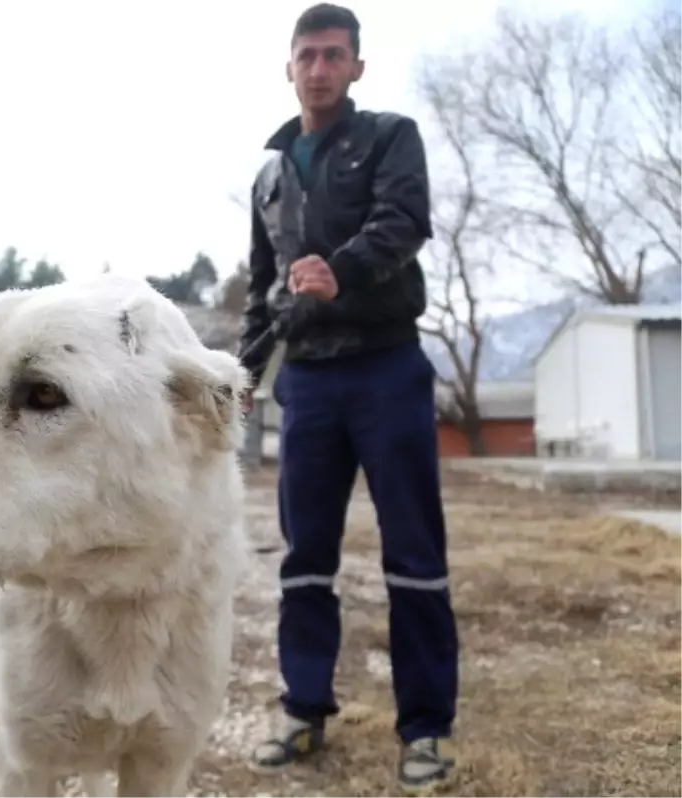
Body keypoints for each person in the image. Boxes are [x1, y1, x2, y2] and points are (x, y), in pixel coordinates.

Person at [237, 4, 459, 793]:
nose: (321, 68)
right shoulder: (266, 173)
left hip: (387, 368)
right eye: (308, 56)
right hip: (309, 385)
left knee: (414, 557)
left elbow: (405, 221)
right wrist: (242, 371)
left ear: (357, 67)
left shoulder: (389, 137)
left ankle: (426, 729)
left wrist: (341, 267)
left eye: (336, 55)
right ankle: (302, 710)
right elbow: (263, 290)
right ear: (288, 67)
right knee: (304, 559)